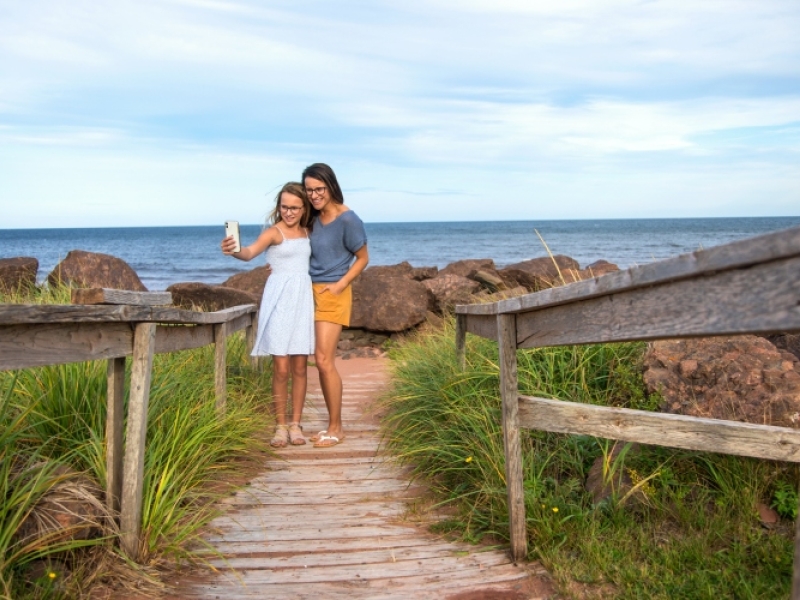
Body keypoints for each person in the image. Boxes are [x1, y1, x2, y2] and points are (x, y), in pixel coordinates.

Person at [221, 182, 314, 448]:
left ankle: (296, 425)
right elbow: (249, 253)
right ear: (279, 207)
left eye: (295, 207)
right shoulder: (274, 233)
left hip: (302, 302)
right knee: (281, 368)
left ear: (304, 207)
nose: (289, 212)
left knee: (299, 367)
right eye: (284, 206)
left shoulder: (309, 232)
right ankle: (280, 426)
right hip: (279, 302)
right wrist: (233, 249)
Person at [302, 163, 369, 448]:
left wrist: (340, 285)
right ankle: (331, 424)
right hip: (306, 291)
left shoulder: (348, 219)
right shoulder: (311, 218)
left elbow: (363, 258)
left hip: (333, 291)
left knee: (323, 359)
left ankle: (336, 428)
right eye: (309, 190)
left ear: (331, 186)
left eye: (319, 189)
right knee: (317, 359)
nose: (314, 195)